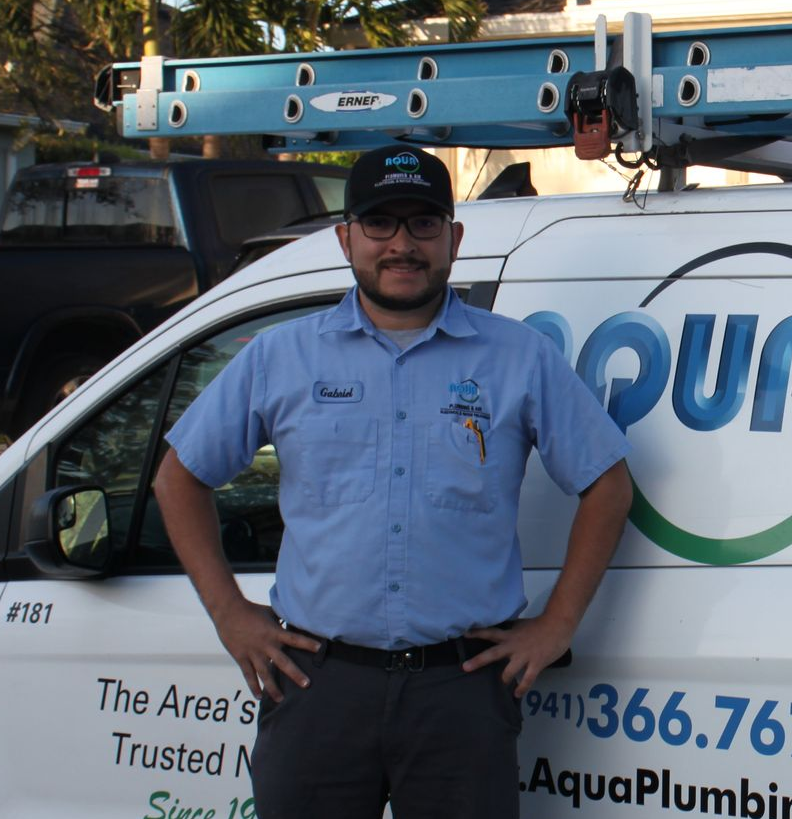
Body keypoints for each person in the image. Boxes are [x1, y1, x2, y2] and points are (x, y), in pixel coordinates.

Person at [152, 145, 632, 819]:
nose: (402, 245)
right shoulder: (281, 356)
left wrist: (558, 622)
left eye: (423, 224)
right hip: (317, 686)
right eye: (380, 224)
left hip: (461, 693)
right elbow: (179, 478)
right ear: (346, 237)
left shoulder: (518, 356)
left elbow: (608, 484)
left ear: (453, 239)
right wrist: (230, 613)